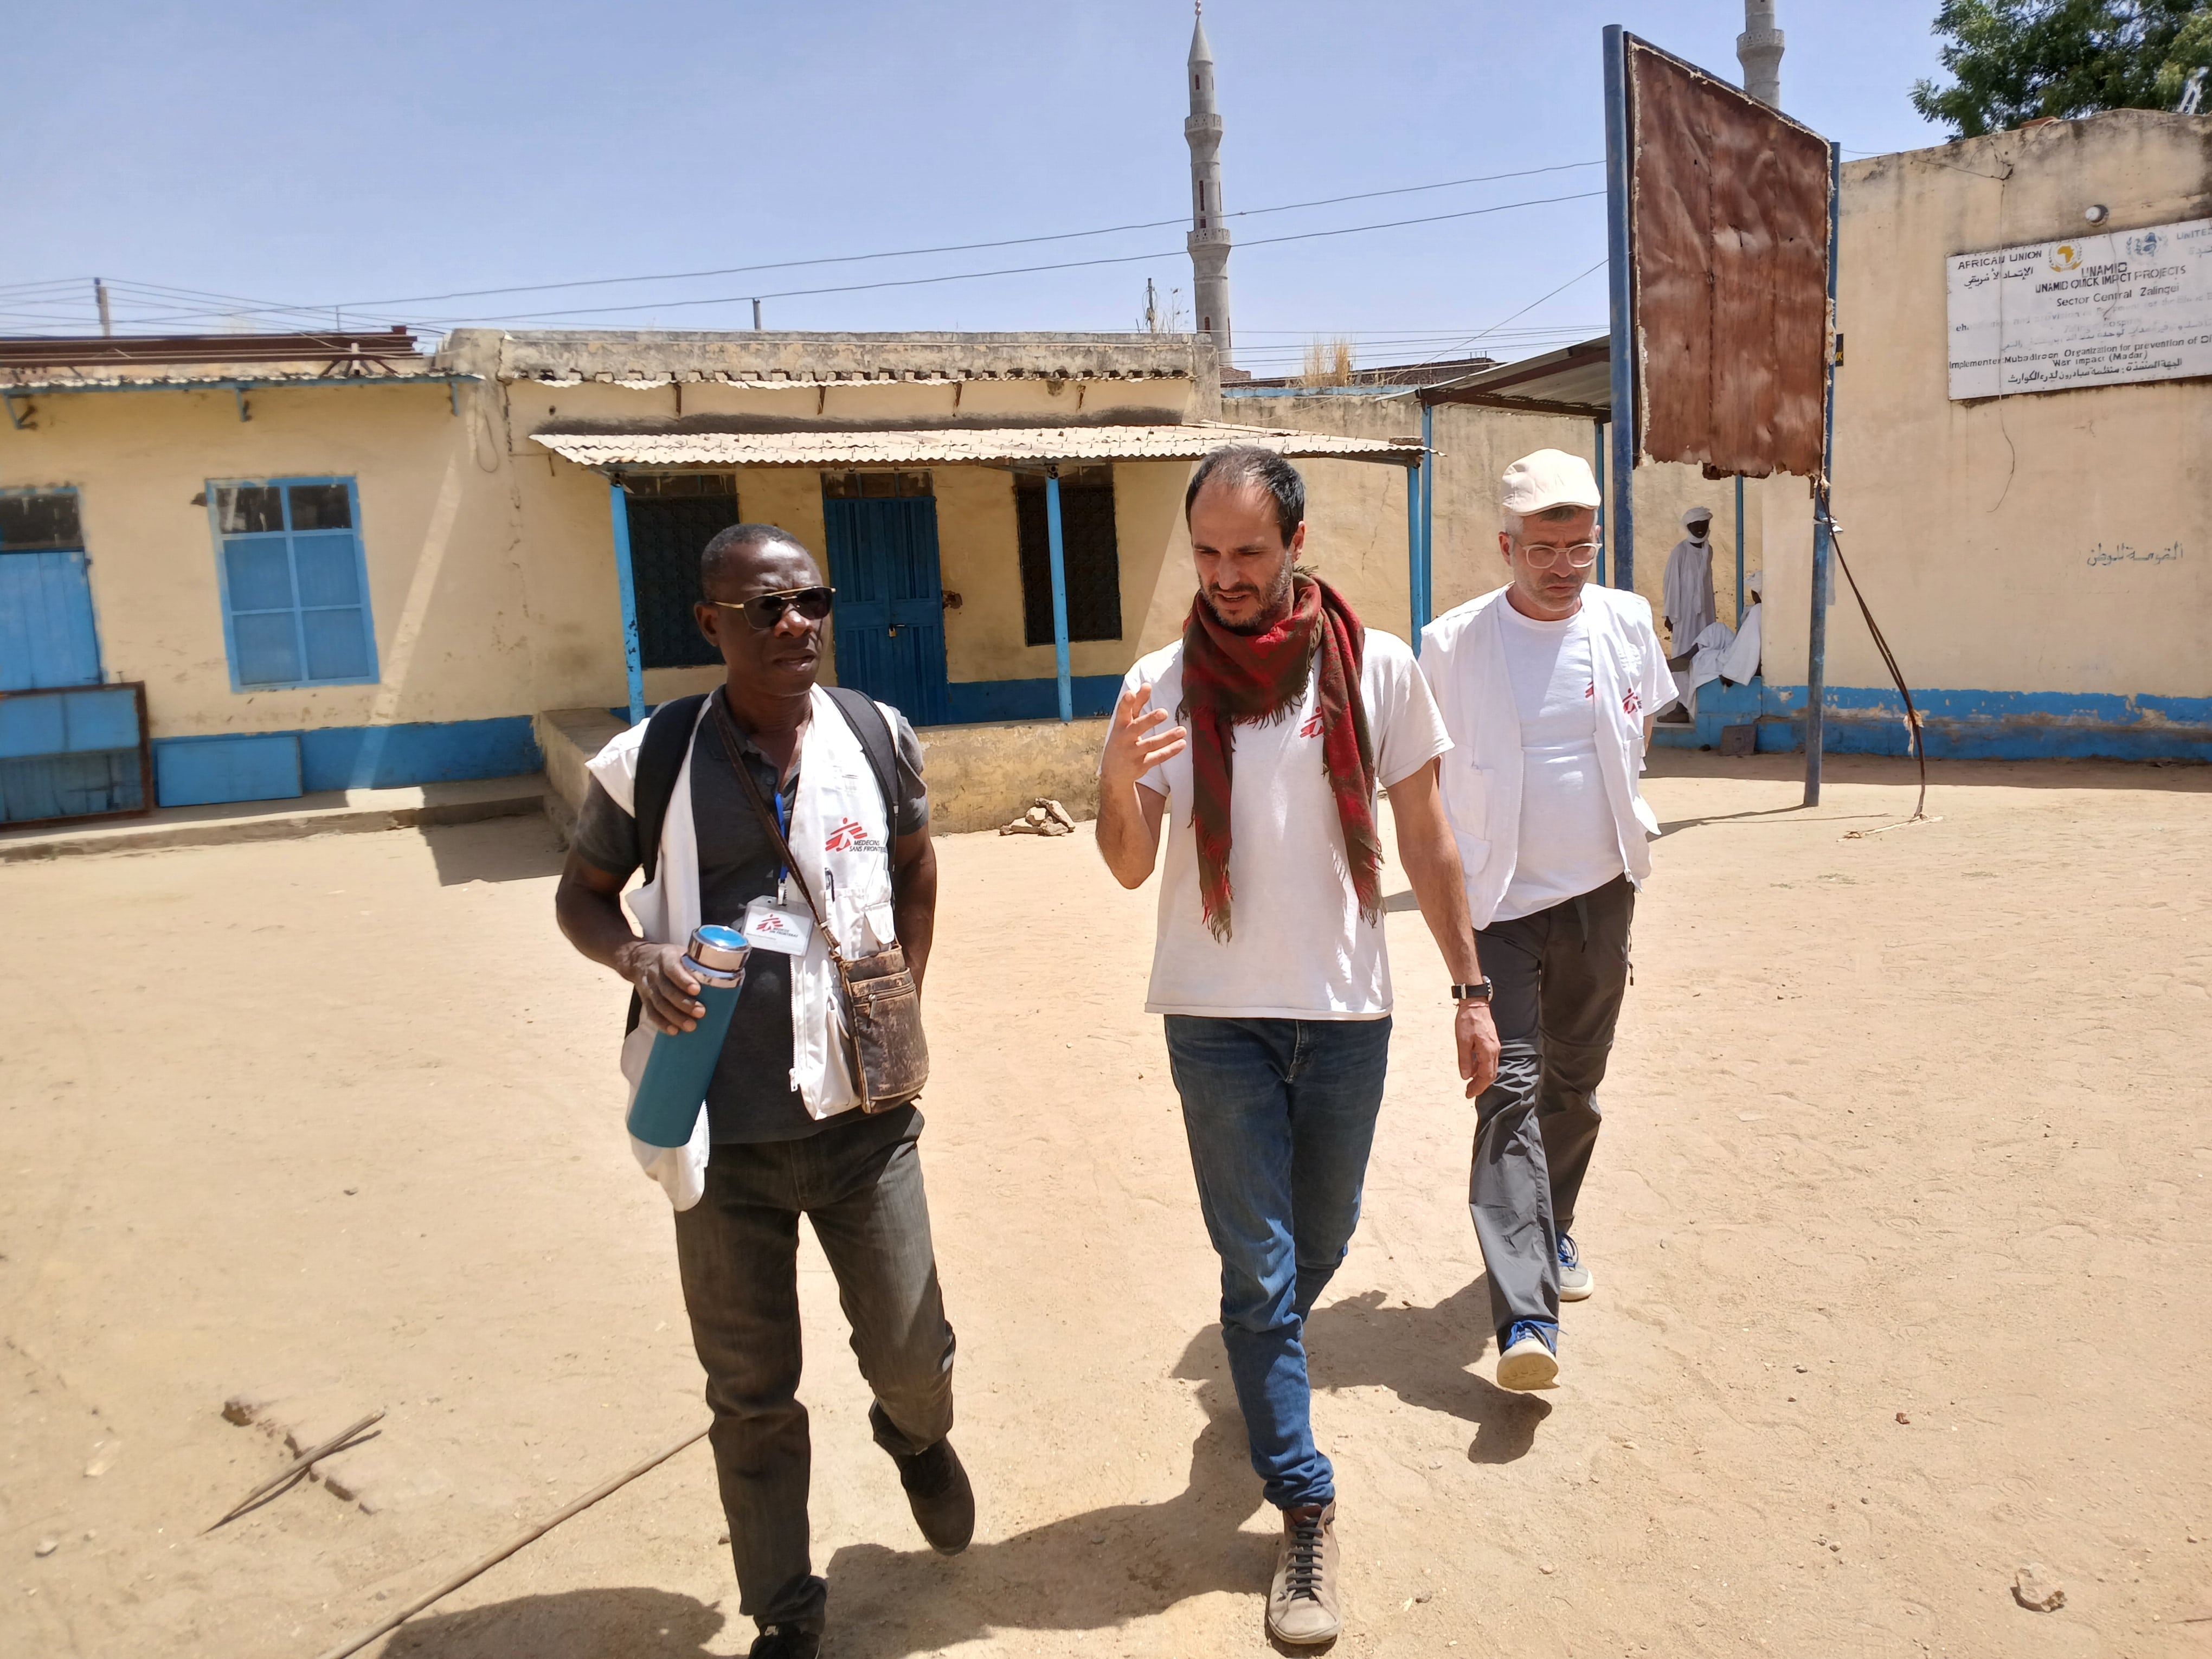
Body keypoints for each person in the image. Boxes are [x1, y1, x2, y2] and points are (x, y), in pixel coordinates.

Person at [1095, 446, 1500, 1648]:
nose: (1224, 576)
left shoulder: (1376, 669)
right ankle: (1305, 1503)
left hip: (1343, 1016)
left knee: (1316, 1241)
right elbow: (1126, 861)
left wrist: (1470, 989)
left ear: (1297, 542)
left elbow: (1426, 844)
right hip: (1213, 1020)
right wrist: (1118, 774)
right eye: (1207, 553)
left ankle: (1257, 1361)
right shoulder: (1160, 684)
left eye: (1249, 553)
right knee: (1262, 1272)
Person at [553, 525, 968, 1659]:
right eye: (765, 610)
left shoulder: (878, 737)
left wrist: (903, 1000)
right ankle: (785, 1609)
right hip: (719, 1139)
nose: (796, 626)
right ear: (711, 626)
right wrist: (637, 957)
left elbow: (917, 865)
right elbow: (583, 895)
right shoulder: (654, 760)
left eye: (810, 603)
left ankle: (916, 1437)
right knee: (750, 1395)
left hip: (863, 1124)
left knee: (911, 1356)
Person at [1417, 450, 1673, 1393]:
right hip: (1502, 907)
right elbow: (1427, 785)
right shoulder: (1450, 646)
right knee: (1507, 1092)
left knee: (1577, 1085)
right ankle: (1527, 1318)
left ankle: (1553, 1225)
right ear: (1506, 547)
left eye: (1580, 546)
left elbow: (1635, 733)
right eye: (1544, 549)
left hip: (1603, 893)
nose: (1565, 566)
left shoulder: (1626, 620)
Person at [1663, 506, 1719, 667]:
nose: (1700, 529)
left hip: (1705, 609)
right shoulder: (1680, 551)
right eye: (1696, 525)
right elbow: (1671, 583)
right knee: (1685, 648)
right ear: (1689, 527)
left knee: (1705, 645)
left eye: (1704, 524)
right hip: (1684, 611)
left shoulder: (1708, 550)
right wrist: (1669, 614)